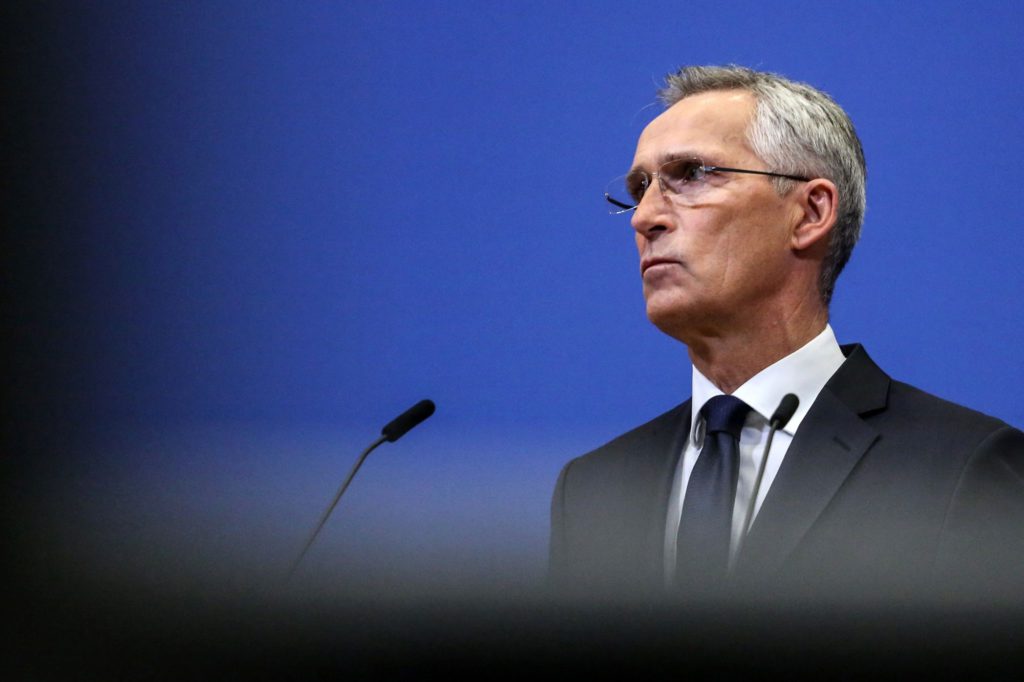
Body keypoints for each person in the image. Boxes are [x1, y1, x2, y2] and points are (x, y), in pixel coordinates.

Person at [549, 65, 1024, 606]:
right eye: (640, 188)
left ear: (809, 212)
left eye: (691, 174)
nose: (646, 217)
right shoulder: (592, 491)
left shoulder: (961, 470)